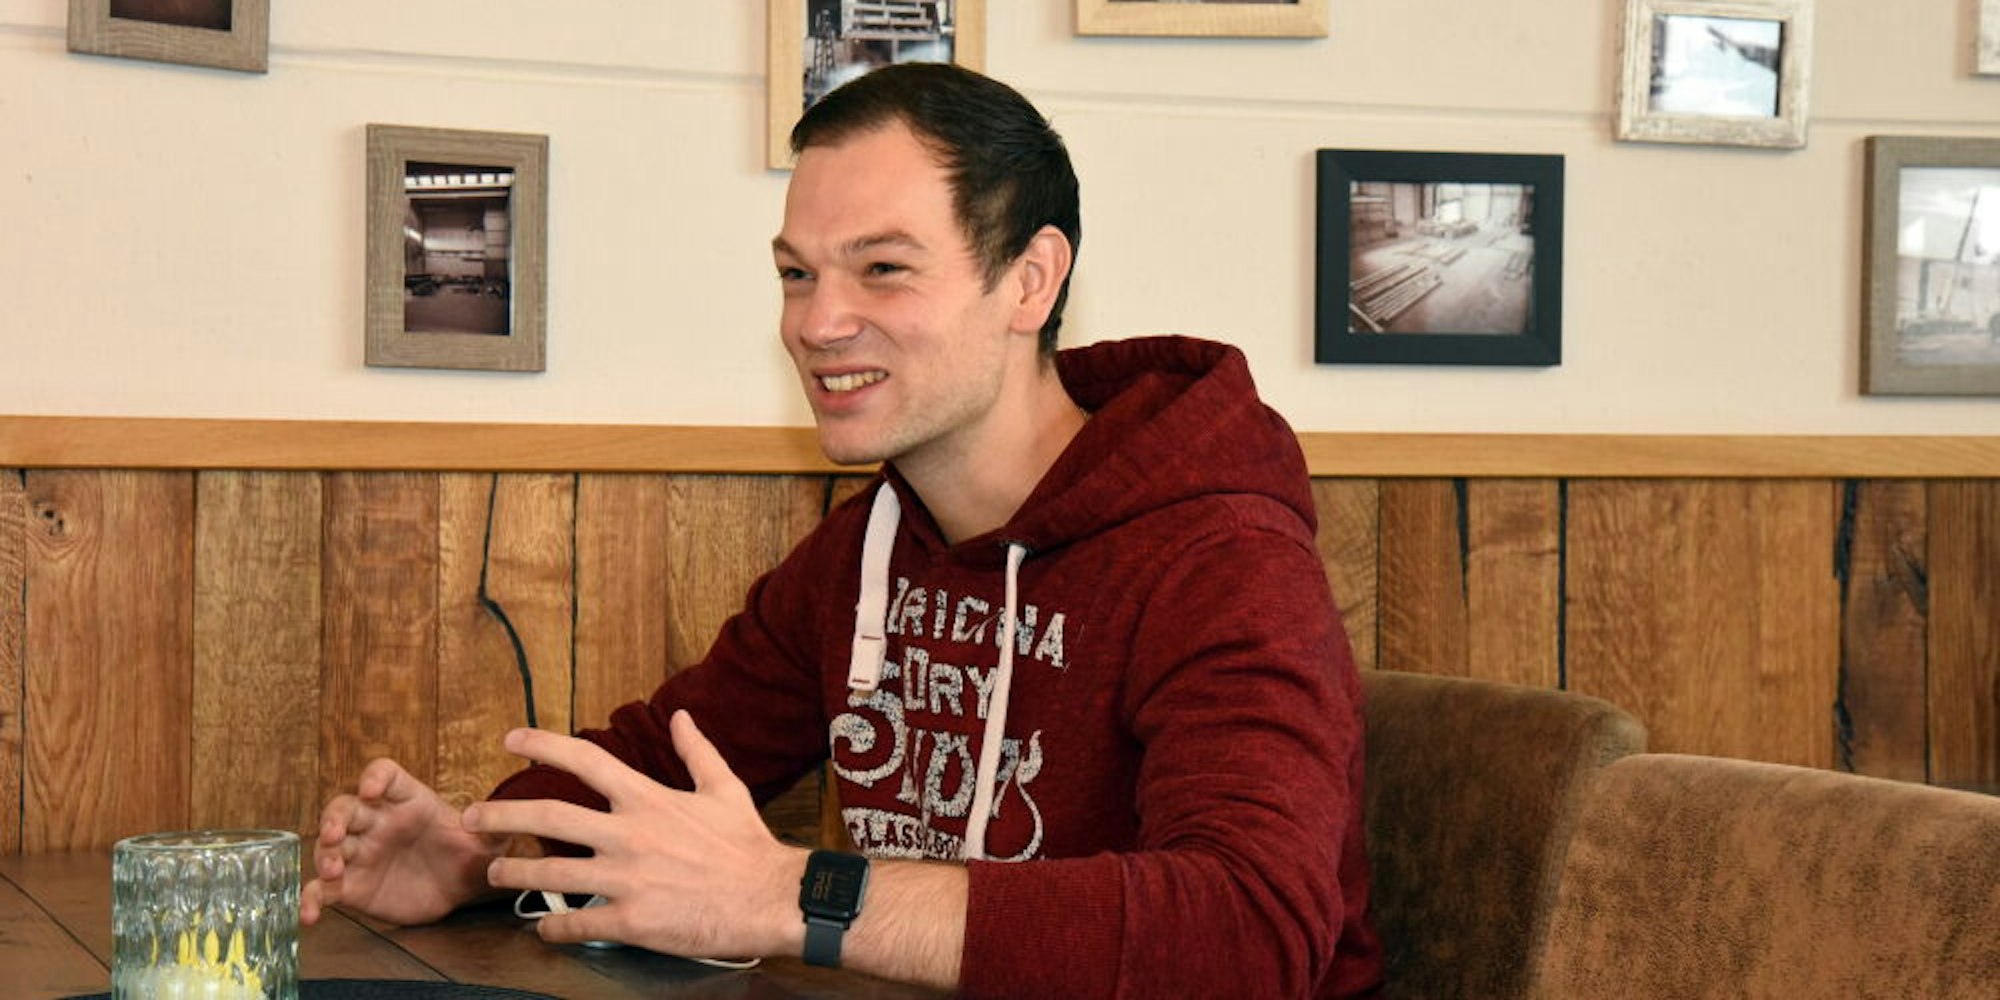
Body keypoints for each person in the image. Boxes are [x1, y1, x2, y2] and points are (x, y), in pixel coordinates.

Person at [301, 62, 1384, 998]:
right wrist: (478, 854)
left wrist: (793, 893)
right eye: (796, 273)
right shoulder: (870, 545)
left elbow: (1251, 930)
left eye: (883, 268)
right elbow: (665, 763)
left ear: (1029, 281)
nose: (816, 322)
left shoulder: (1219, 554)